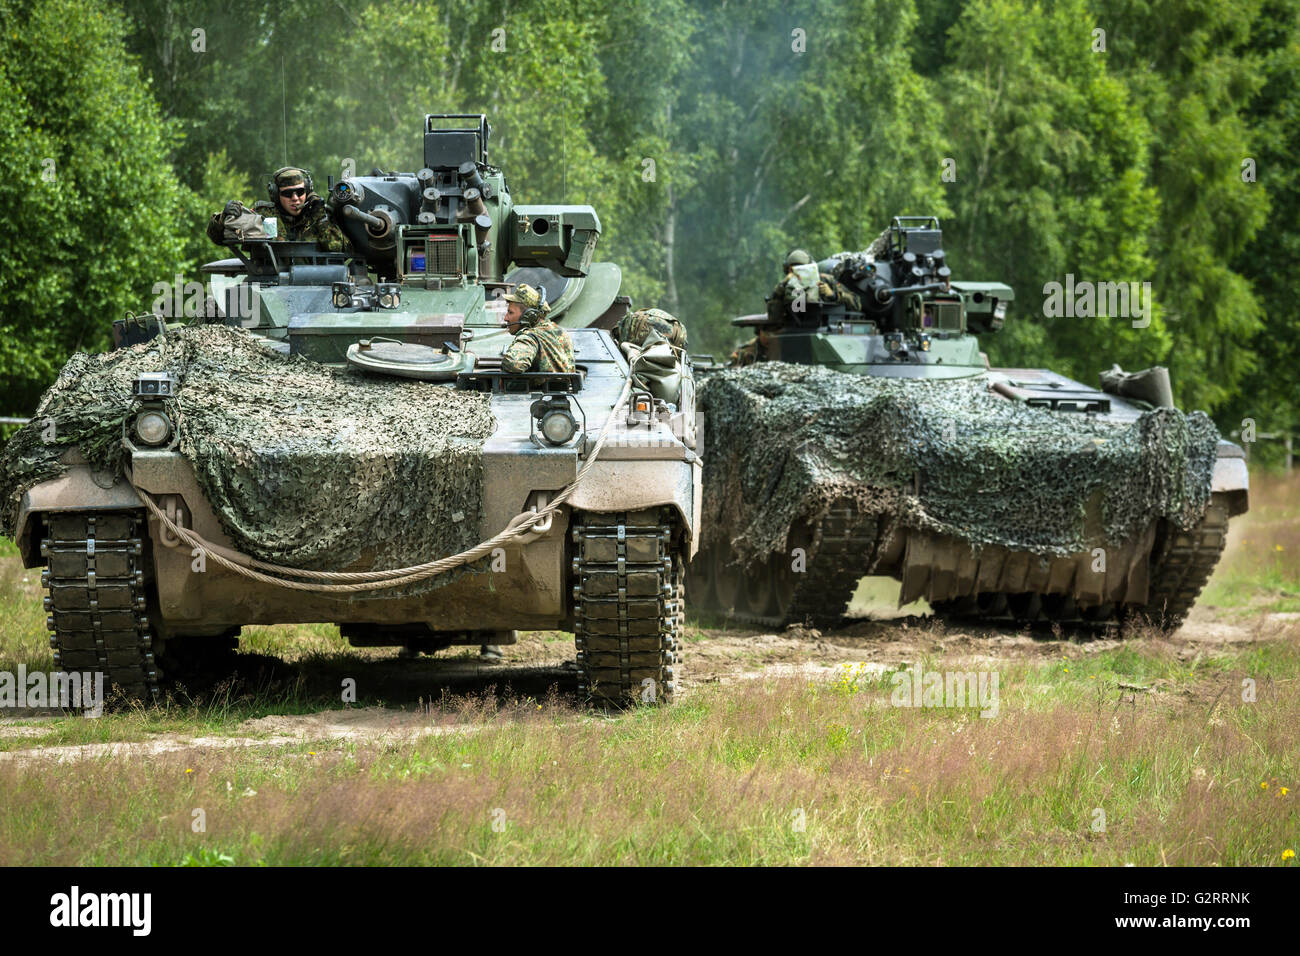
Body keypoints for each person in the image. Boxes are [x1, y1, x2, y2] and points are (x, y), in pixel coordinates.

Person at [499, 283, 576, 374]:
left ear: (528, 315)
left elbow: (514, 364)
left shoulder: (530, 337)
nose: (506, 318)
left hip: (535, 388)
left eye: (510, 312)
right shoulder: (562, 333)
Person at [262, 167, 345, 249]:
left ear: (308, 191)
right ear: (276, 194)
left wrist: (321, 218)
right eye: (287, 193)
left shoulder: (320, 214)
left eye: (300, 192)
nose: (295, 198)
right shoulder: (265, 214)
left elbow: (336, 247)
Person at [772, 248, 861, 311]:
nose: (797, 273)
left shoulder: (825, 280)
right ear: (788, 270)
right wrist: (782, 285)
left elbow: (856, 304)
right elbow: (773, 313)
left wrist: (833, 295)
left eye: (802, 268)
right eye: (793, 269)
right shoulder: (784, 286)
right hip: (795, 330)